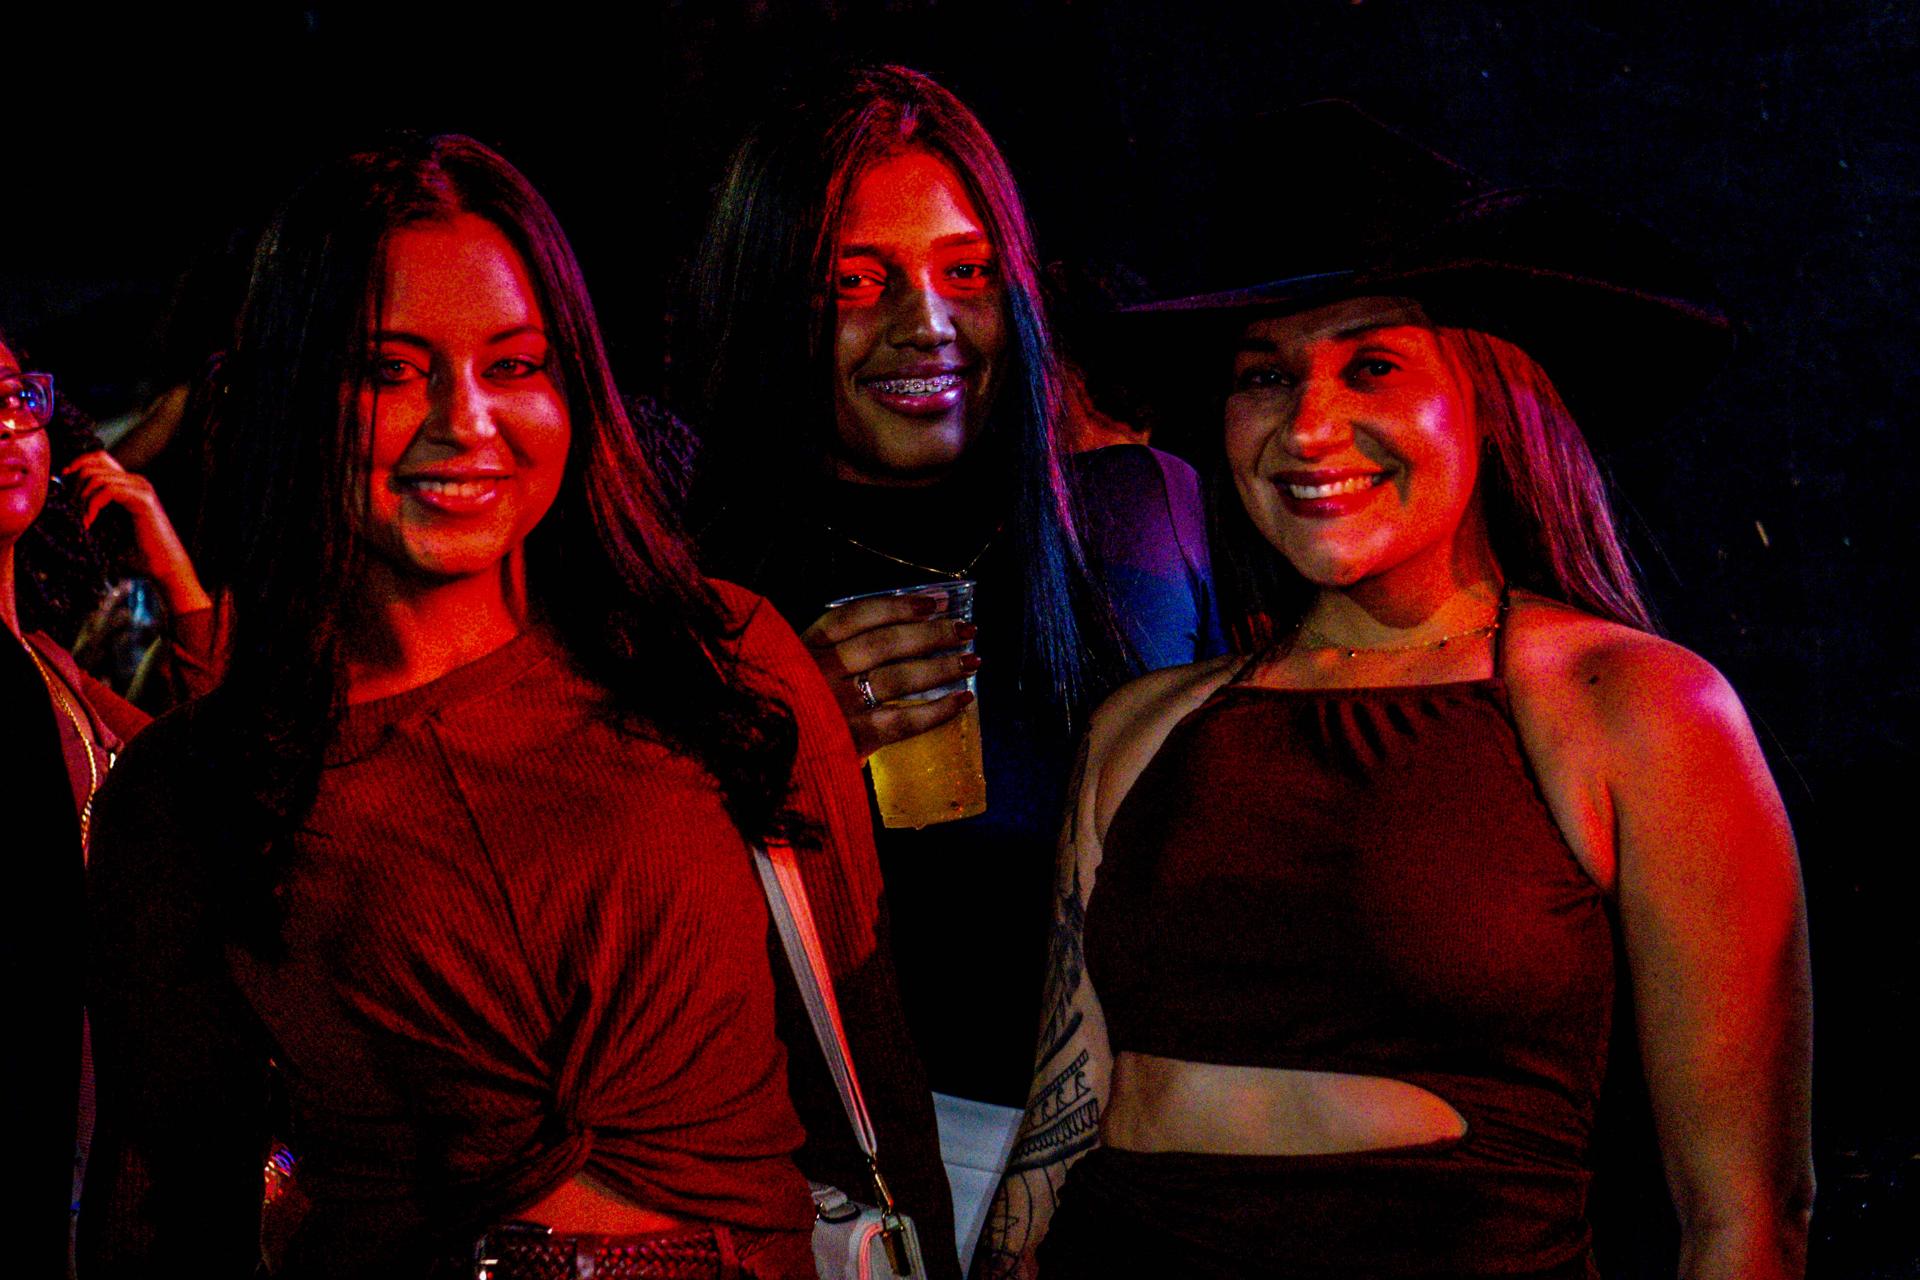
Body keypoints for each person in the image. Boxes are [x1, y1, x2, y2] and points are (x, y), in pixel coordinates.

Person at [82, 133, 953, 1279]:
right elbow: (165, 1220)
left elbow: (879, 1086)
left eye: (514, 364)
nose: (465, 420)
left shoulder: (723, 662)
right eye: (391, 370)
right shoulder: (189, 794)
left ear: (573, 384)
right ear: (296, 389)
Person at [980, 104, 1813, 1279]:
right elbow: (1055, 1137)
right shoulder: (1144, 729)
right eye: (1264, 375)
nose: (1308, 425)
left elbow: (1747, 1212)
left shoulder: (1634, 709)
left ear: (1486, 392)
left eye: (1370, 364)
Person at [679, 64, 1223, 1264]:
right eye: (854, 280)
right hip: (866, 1190)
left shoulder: (1139, 519)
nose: (926, 322)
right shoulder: (696, 595)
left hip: (1159, 1176)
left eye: (967, 272)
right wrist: (782, 741)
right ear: (767, 300)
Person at [1, 332, 212, 1274]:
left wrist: (172, 569)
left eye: (17, 396)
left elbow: (233, 782)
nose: (9, 427)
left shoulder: (54, 668)